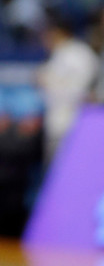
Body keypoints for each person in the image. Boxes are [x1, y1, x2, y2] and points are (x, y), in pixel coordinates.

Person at [37, 9, 99, 162]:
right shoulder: (58, 55)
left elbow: (82, 93)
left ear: (56, 32)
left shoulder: (79, 54)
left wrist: (46, 81)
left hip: (74, 127)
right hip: (57, 126)